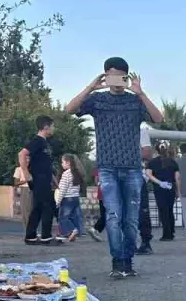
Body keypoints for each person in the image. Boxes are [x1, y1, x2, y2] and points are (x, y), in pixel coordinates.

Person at [66, 57, 163, 279]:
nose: (116, 80)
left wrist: (140, 92)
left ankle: (127, 261)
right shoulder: (97, 100)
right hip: (107, 168)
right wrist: (91, 87)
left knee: (130, 219)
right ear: (105, 76)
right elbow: (69, 109)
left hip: (132, 169)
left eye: (120, 75)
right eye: (111, 75)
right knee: (112, 215)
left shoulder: (135, 101)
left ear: (126, 77)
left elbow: (158, 118)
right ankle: (117, 261)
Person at [20, 116, 59, 245]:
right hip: (39, 178)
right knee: (48, 206)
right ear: (46, 127)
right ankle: (46, 237)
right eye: (52, 126)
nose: (54, 129)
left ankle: (30, 236)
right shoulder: (37, 141)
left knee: (38, 207)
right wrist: (26, 173)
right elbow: (22, 154)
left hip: (45, 178)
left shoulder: (45, 143)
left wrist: (54, 180)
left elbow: (46, 164)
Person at [146, 143, 179, 241]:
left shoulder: (152, 162)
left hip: (159, 189)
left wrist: (159, 182)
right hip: (171, 188)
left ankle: (166, 234)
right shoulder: (173, 162)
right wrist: (178, 191)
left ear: (156, 151)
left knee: (163, 211)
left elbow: (148, 174)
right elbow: (177, 178)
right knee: (169, 210)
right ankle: (172, 232)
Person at [57, 153, 85, 242]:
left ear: (68, 162)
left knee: (63, 217)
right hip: (75, 198)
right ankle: (75, 232)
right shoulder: (76, 173)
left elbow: (62, 189)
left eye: (63, 162)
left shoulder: (66, 174)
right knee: (74, 216)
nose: (62, 164)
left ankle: (70, 231)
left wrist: (58, 201)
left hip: (67, 198)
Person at [137, 140, 155, 254]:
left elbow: (148, 153)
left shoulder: (142, 132)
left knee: (142, 212)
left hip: (137, 177)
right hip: (128, 175)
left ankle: (146, 243)